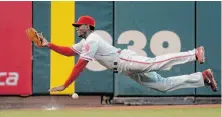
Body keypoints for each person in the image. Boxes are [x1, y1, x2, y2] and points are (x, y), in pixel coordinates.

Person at [45, 15, 217, 93]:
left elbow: (80, 65)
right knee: (163, 86)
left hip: (124, 60)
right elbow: (68, 52)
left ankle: (193, 53)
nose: (77, 28)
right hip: (124, 69)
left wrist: (65, 84)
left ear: (88, 27)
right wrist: (48, 44)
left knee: (154, 62)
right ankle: (202, 78)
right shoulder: (85, 42)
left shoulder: (92, 41)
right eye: (76, 26)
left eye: (79, 26)